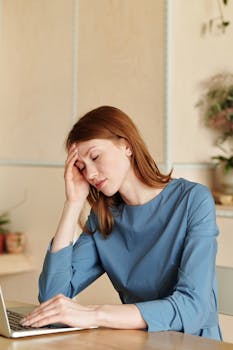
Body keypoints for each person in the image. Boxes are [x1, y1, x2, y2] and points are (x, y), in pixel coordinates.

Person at [21, 106, 222, 340]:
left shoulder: (192, 200)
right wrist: (73, 203)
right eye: (82, 166)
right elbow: (51, 298)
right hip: (138, 343)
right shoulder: (105, 216)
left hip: (191, 343)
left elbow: (193, 307)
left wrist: (95, 314)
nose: (90, 174)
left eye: (95, 157)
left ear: (126, 145)